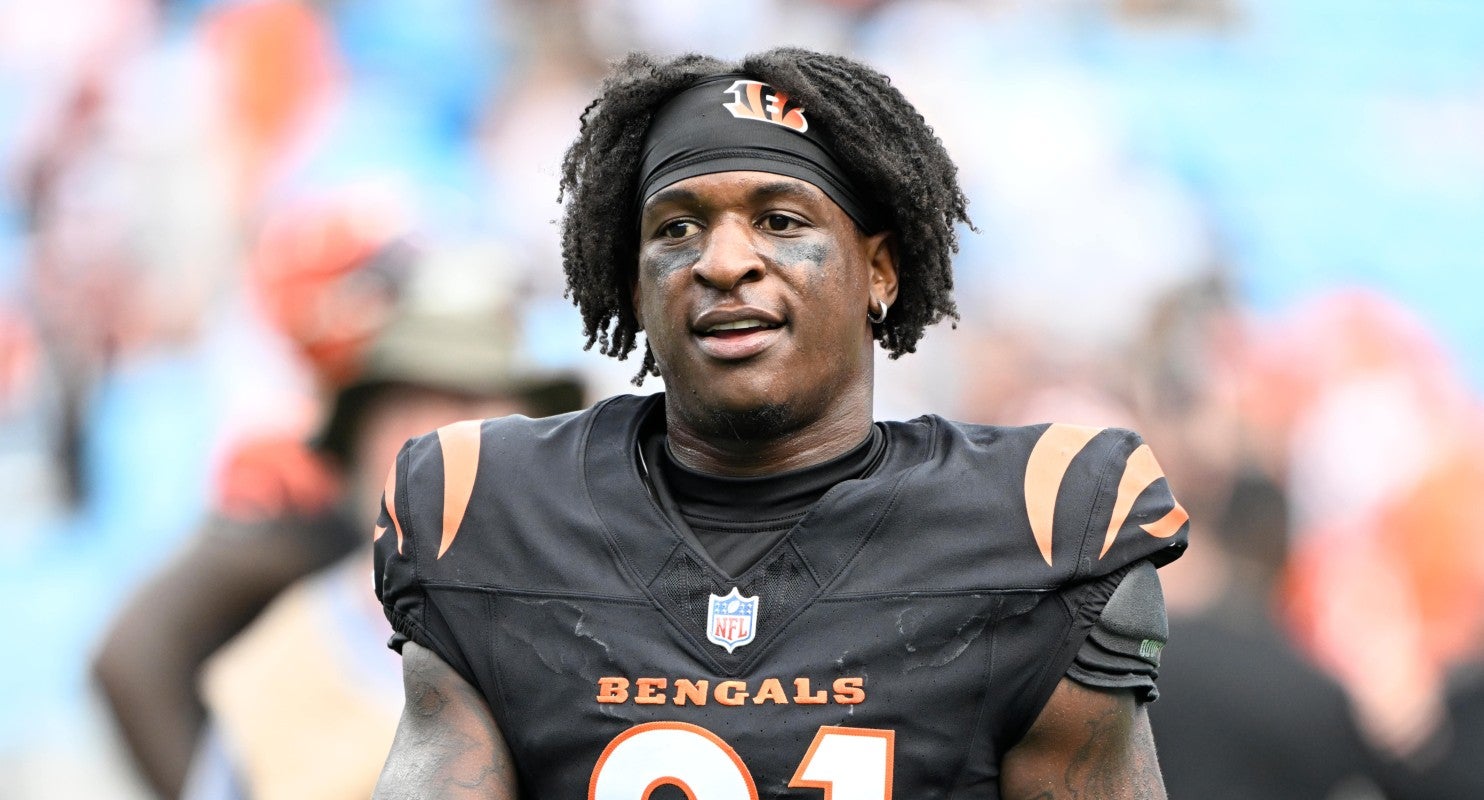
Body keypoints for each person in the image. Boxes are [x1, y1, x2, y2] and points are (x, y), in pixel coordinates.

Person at [372, 47, 1189, 798]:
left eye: (781, 221)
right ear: (634, 285)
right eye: (676, 228)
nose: (723, 262)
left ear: (879, 270)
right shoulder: (485, 508)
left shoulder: (1044, 522)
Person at [91, 198, 582, 799]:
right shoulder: (274, 668)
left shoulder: (607, 615)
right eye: (420, 406)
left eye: (484, 404)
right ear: (362, 437)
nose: (457, 436)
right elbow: (130, 654)